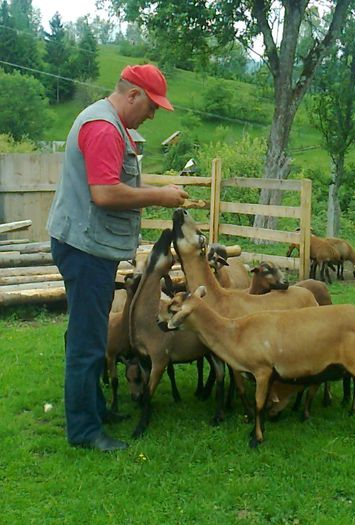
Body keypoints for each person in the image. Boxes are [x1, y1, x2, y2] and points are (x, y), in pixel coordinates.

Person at [47, 64, 188, 452]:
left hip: (88, 244)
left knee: (88, 333)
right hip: (85, 247)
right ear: (132, 95)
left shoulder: (108, 123)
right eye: (151, 105)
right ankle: (84, 430)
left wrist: (157, 189)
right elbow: (105, 193)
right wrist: (159, 196)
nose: (153, 114)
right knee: (87, 340)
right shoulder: (105, 129)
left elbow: (112, 185)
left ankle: (92, 408)